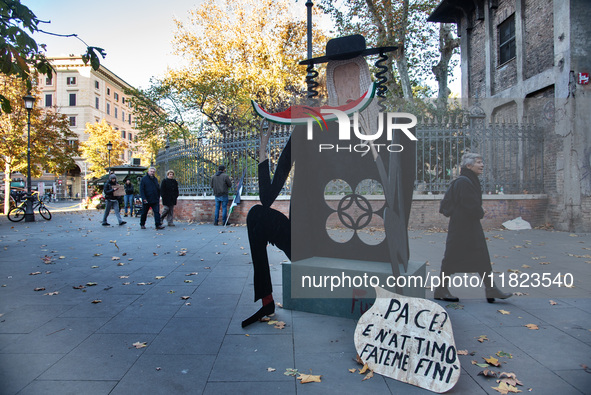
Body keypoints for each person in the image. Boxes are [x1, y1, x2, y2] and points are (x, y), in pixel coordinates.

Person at [434, 152, 512, 303]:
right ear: (469, 165)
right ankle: (441, 289)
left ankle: (491, 289)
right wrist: (480, 211)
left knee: (481, 257)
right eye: (478, 162)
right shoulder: (464, 182)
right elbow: (470, 205)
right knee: (451, 258)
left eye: (481, 162)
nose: (482, 165)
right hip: (462, 228)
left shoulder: (470, 180)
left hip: (467, 226)